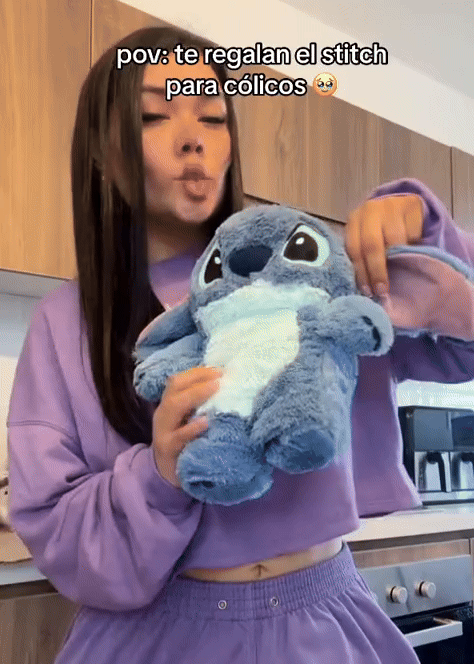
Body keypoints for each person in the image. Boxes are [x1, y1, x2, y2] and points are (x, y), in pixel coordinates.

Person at [6, 25, 474, 664]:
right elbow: (57, 534)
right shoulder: (65, 323)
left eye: (213, 117)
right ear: (101, 155)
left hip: (326, 625)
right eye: (154, 116)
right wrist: (159, 473)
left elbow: (461, 345)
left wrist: (429, 235)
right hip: (155, 636)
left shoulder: (314, 273)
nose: (193, 137)